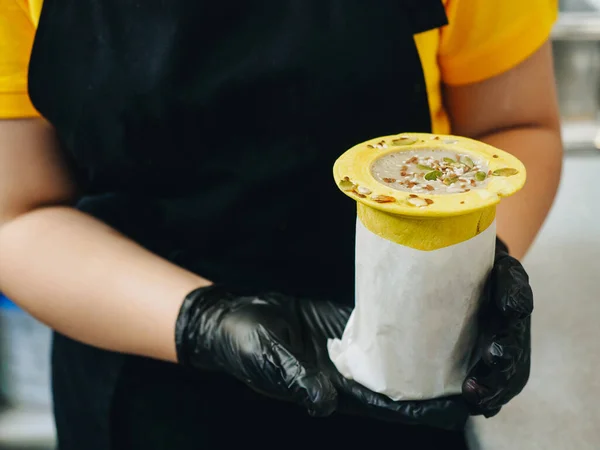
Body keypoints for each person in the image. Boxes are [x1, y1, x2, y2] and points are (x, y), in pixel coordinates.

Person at [0, 1, 561, 449]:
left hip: (398, 369)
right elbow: (17, 213)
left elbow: (513, 123)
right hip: (138, 361)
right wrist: (206, 321)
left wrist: (466, 279)